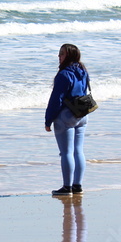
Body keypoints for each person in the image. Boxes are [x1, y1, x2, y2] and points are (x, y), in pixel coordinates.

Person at [44, 43, 89, 196]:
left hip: (66, 116)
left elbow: (56, 99)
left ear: (68, 56)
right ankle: (77, 186)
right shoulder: (82, 71)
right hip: (82, 114)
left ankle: (66, 187)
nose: (59, 57)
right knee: (78, 151)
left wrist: (48, 120)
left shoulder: (64, 75)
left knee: (66, 153)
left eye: (61, 54)